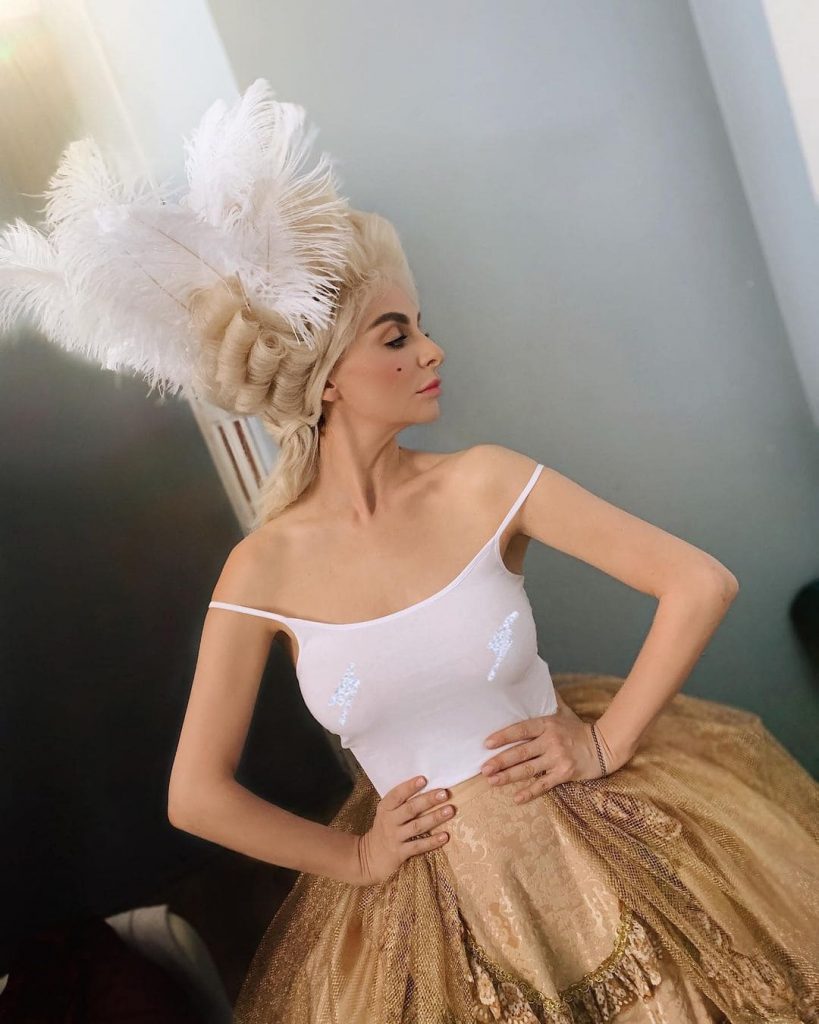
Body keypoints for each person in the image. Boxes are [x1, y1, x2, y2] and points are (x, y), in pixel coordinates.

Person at [3, 79, 817, 1024]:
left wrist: (604, 741)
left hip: (604, 850)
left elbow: (697, 582)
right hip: (439, 915)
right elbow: (196, 795)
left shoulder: (485, 481)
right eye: (397, 335)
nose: (431, 352)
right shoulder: (262, 571)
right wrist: (354, 856)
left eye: (422, 327)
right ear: (326, 377)